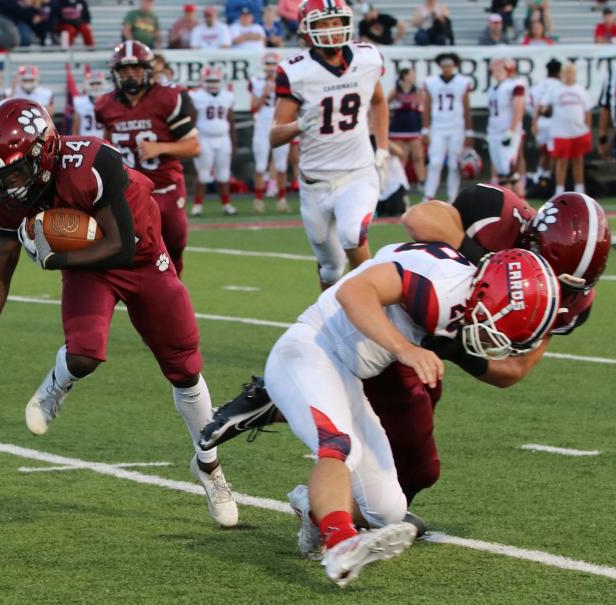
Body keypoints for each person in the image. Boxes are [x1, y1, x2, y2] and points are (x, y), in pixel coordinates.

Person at [200, 185, 610, 510]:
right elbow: (418, 217)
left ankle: (285, 411)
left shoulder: (572, 301)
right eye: (556, 276)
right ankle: (344, 507)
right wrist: (489, 271)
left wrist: (454, 344)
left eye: (571, 285)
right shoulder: (497, 214)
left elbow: (514, 371)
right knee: (415, 463)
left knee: (415, 445)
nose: (553, 289)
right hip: (404, 314)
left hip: (438, 341)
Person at [0, 97, 239, 528]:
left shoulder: (93, 164)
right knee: (83, 353)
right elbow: (0, 263)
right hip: (90, 266)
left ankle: (209, 467)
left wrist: (54, 260)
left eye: (15, 171)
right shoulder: (6, 193)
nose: (8, 184)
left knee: (185, 369)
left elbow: (121, 245)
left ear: (43, 151)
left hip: (141, 257)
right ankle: (57, 383)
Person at [263, 239, 558, 585]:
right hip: (309, 350)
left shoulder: (466, 287)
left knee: (387, 509)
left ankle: (312, 510)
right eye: (500, 326)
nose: (496, 340)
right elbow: (354, 292)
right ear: (491, 293)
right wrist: (404, 348)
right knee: (339, 446)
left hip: (347, 375)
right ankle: (340, 543)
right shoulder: (443, 288)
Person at [271, 0, 389, 290]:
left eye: (336, 22)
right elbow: (274, 137)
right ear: (307, 30)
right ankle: (328, 315)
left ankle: (372, 311)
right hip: (316, 183)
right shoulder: (296, 71)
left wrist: (382, 147)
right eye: (323, 24)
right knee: (331, 269)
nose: (332, 30)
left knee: (352, 234)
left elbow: (378, 101)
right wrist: (299, 125)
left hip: (358, 172)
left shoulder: (367, 58)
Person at [95, 41, 199, 276]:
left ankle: (173, 291)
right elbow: (108, 140)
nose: (130, 74)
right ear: (115, 72)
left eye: (136, 68)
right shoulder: (105, 104)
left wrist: (160, 147)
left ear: (149, 69)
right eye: (124, 69)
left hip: (166, 187)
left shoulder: (169, 97)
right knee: (130, 250)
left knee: (175, 247)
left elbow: (194, 146)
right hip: (129, 191)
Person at [422, 52, 472, 203]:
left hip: (456, 127)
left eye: (449, 65)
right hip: (438, 127)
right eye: (444, 66)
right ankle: (428, 195)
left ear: (454, 66)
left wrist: (469, 132)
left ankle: (452, 198)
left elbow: (466, 107)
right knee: (435, 162)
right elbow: (427, 106)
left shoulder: (462, 82)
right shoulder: (432, 82)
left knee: (453, 164)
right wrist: (425, 129)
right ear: (440, 66)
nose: (447, 69)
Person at [189, 67, 236, 216]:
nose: (213, 84)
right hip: (204, 138)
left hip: (223, 138)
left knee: (224, 175)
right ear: (203, 81)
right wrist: (192, 141)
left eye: (215, 80)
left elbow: (231, 120)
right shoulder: (197, 96)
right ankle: (197, 206)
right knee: (202, 175)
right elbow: (192, 120)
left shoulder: (227, 96)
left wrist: (234, 143)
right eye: (210, 80)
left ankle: (227, 204)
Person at [542, 63, 592, 195]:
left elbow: (587, 111)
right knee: (561, 161)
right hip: (561, 132)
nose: (568, 76)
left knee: (578, 160)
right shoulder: (555, 90)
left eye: (571, 73)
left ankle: (580, 189)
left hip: (578, 131)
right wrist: (544, 111)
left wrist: (587, 127)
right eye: (566, 73)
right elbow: (546, 108)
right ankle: (559, 191)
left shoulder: (580, 90)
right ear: (561, 74)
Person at [250, 51, 290, 214]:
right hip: (262, 124)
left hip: (280, 123)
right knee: (260, 165)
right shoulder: (257, 82)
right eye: (268, 64)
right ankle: (259, 201)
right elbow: (253, 107)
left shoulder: (286, 81)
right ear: (263, 66)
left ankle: (281, 199)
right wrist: (265, 93)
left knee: (281, 165)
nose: (271, 68)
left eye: (273, 64)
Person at [487, 58, 526, 196]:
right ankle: (507, 203)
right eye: (494, 69)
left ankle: (521, 203)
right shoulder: (493, 88)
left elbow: (519, 108)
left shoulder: (514, 85)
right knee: (501, 171)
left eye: (500, 69)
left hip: (506, 132)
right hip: (494, 132)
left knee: (508, 169)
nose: (496, 72)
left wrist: (511, 130)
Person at [388, 68, 425, 189]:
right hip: (398, 128)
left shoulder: (418, 91)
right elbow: (384, 104)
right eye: (411, 75)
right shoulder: (396, 91)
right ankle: (399, 183)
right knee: (401, 157)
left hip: (413, 127)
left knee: (418, 156)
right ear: (404, 76)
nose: (414, 77)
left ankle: (422, 181)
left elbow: (423, 107)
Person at [529, 58, 562, 183]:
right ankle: (549, 178)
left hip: (541, 121)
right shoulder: (558, 85)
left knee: (544, 153)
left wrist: (534, 122)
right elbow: (544, 105)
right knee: (553, 153)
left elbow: (534, 103)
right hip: (553, 122)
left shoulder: (540, 84)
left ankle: (539, 176)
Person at [72, 70, 107, 138]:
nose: (95, 86)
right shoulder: (79, 102)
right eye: (92, 84)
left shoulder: (109, 101)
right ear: (87, 85)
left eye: (98, 83)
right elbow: (75, 129)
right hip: (86, 141)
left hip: (104, 140)